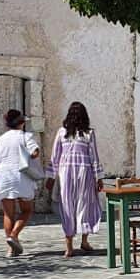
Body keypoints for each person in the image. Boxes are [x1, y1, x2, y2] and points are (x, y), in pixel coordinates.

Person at [46, 101, 105, 258]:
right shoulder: (87, 134)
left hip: (66, 173)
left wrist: (51, 177)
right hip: (84, 173)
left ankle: (70, 247)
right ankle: (83, 241)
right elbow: (94, 157)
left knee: (68, 206)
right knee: (84, 205)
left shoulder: (63, 132)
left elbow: (55, 157)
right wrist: (99, 178)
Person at [0, 109, 40, 256]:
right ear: (21, 123)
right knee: (27, 210)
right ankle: (14, 235)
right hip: (20, 177)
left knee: (8, 214)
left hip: (3, 178)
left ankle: (11, 248)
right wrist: (31, 156)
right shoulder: (25, 136)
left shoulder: (0, 140)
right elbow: (35, 151)